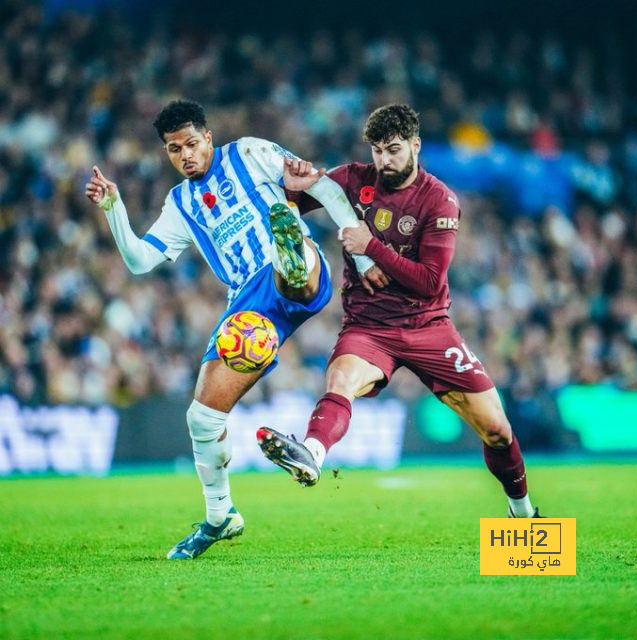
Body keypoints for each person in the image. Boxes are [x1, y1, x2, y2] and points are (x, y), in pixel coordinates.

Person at [85, 99, 386, 559]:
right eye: (173, 149)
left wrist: (361, 253)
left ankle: (289, 248)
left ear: (207, 137)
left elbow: (320, 187)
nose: (184, 155)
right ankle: (220, 516)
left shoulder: (248, 153)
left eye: (190, 143)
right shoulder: (179, 203)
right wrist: (114, 207)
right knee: (201, 417)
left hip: (292, 272)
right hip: (248, 311)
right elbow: (140, 261)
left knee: (290, 265)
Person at [257, 104, 543, 518]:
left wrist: (369, 246)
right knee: (341, 380)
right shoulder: (354, 180)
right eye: (376, 150)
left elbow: (429, 281)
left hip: (429, 326)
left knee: (497, 430)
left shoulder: (439, 201)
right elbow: (292, 209)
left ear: (415, 145)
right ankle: (312, 454)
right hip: (368, 327)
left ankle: (524, 513)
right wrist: (291, 189)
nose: (383, 160)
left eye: (392, 150)